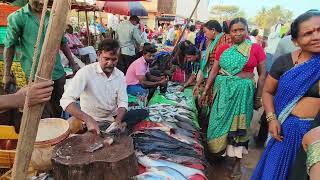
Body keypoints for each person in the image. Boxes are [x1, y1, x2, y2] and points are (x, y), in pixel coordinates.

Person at [251, 11, 320, 180]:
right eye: (308, 33)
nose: (316, 36)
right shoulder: (284, 62)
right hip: (286, 132)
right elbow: (268, 92)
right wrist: (272, 118)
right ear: (296, 41)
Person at [200, 17, 266, 177]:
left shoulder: (255, 48)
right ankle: (217, 154)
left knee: (239, 129)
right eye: (234, 30)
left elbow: (263, 74)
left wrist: (258, 97)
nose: (238, 33)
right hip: (223, 92)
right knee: (217, 122)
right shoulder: (223, 49)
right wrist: (205, 90)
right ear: (229, 33)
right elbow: (214, 71)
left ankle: (237, 163)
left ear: (247, 30)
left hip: (243, 94)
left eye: (241, 30)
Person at [2, 0, 79, 118]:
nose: (42, 2)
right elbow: (9, 45)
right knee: (40, 111)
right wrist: (6, 74)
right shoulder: (18, 17)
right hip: (35, 75)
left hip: (57, 72)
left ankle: (57, 131)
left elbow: (62, 42)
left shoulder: (52, 16)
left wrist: (73, 64)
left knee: (57, 108)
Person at [60, 39, 128, 135]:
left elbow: (123, 102)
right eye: (106, 59)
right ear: (98, 54)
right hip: (87, 120)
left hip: (110, 120)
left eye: (114, 59)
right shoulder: (86, 72)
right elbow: (66, 100)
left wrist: (117, 121)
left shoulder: (120, 75)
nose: (110, 63)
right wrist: (88, 120)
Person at [192, 20, 231, 97]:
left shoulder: (226, 39)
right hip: (213, 77)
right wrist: (198, 84)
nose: (205, 35)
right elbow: (207, 66)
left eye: (205, 32)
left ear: (213, 30)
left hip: (224, 80)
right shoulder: (211, 43)